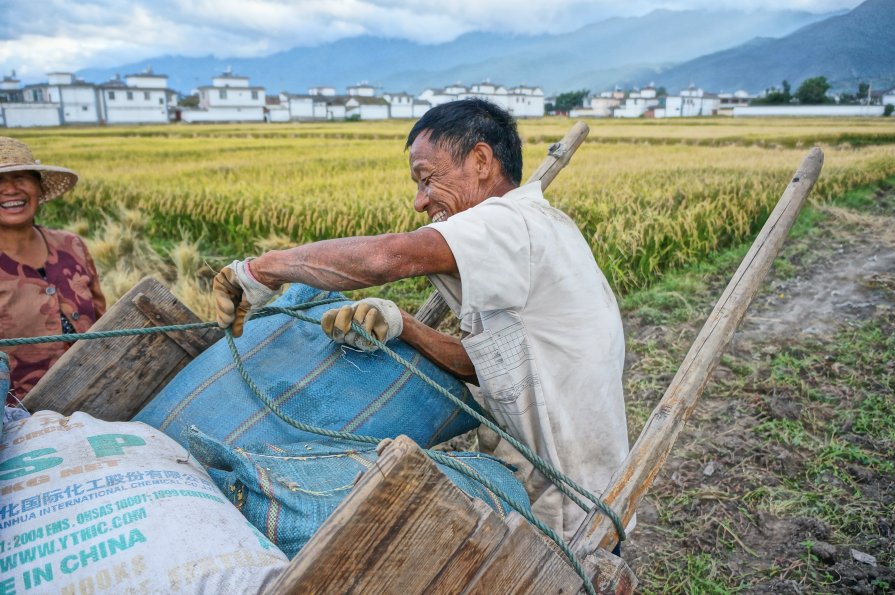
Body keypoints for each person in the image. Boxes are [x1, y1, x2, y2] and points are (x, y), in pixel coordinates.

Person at [213, 99, 630, 541]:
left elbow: (383, 258)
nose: (419, 201)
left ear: (481, 160)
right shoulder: (542, 228)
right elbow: (494, 363)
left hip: (569, 508)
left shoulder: (509, 223)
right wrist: (403, 325)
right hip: (578, 488)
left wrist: (260, 270)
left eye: (427, 179)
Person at [0, 137, 106, 404]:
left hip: (97, 398)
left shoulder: (72, 245)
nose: (10, 189)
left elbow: (104, 324)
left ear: (38, 187)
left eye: (21, 177)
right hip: (15, 418)